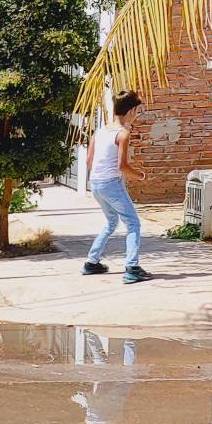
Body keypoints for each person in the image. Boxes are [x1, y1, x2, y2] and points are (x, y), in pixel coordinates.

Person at [84, 91, 152, 284]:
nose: (137, 114)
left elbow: (90, 161)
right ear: (130, 111)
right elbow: (122, 166)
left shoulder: (100, 131)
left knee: (111, 222)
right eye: (137, 110)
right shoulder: (123, 134)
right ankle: (132, 268)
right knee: (133, 223)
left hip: (95, 183)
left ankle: (91, 262)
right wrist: (141, 175)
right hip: (110, 184)